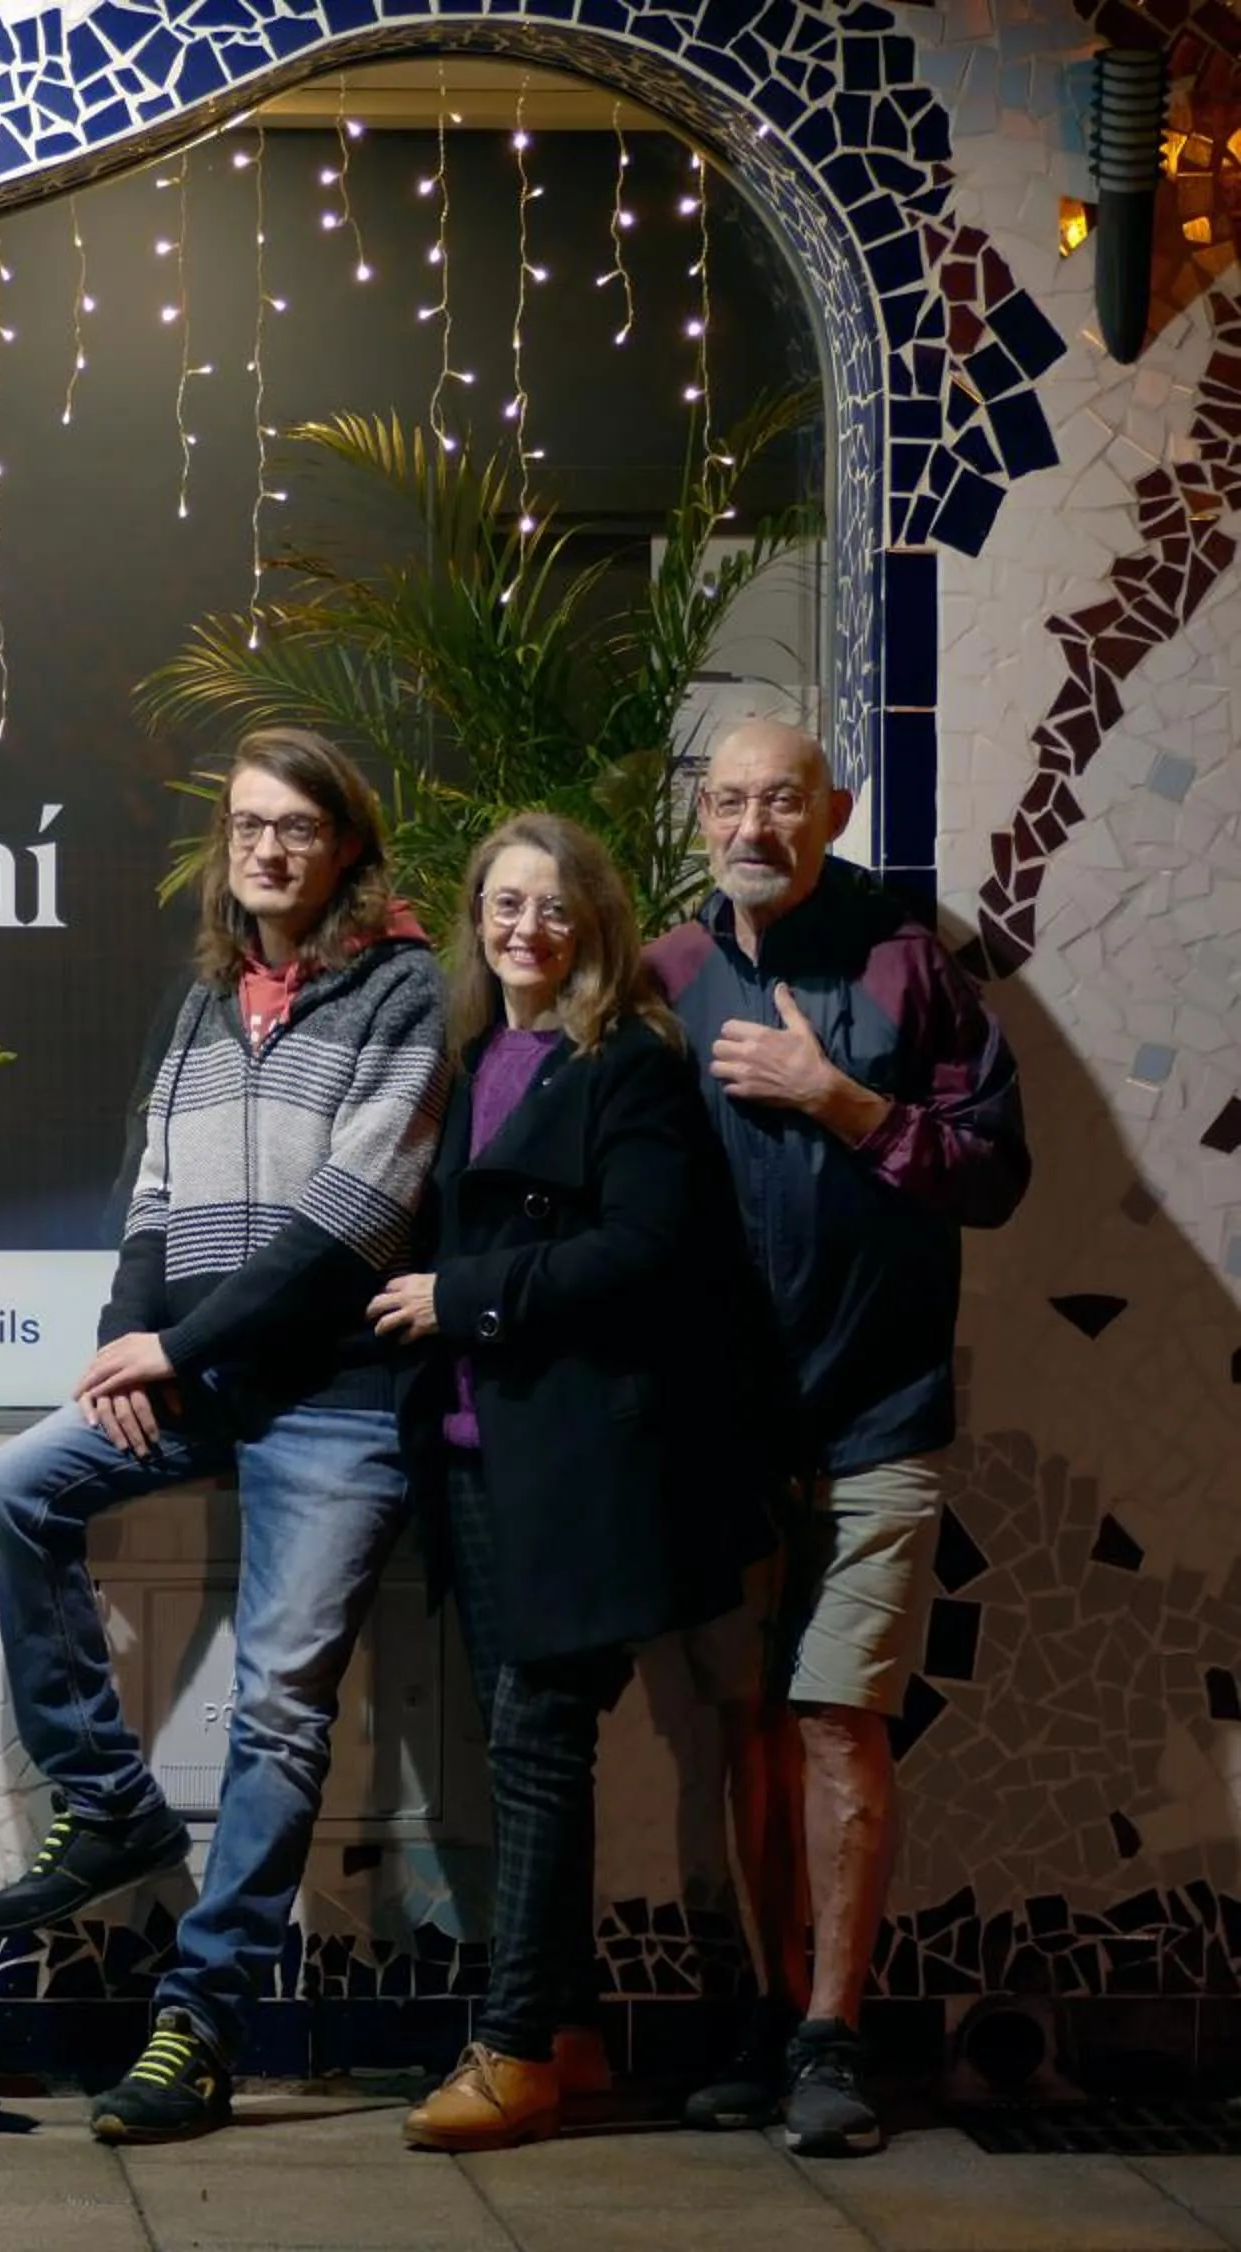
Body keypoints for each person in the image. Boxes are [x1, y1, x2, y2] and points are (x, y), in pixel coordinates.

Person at [0, 726, 449, 2144]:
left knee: (281, 1710)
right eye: (248, 826)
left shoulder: (404, 992)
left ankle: (201, 2025)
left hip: (337, 1403)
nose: (268, 849)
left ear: (348, 847)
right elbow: (156, 1193)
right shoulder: (209, 1000)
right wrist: (133, 1345)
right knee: (16, 1488)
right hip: (203, 1383)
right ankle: (108, 1801)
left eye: (297, 826)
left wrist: (178, 1345)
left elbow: (349, 1225)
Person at [365, 811, 784, 2152]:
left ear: (593, 923)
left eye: (552, 906)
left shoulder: (630, 1068)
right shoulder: (476, 1053)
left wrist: (464, 1297)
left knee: (539, 1745)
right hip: (485, 1461)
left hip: (587, 1468)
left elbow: (649, 1253)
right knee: (526, 1747)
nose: (524, 927)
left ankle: (511, 2052)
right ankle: (574, 2031)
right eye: (503, 902)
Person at [652, 718, 1030, 2157]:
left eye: (785, 801)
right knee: (742, 1724)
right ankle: (759, 2013)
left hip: (877, 1414)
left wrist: (842, 1101)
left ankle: (832, 2037)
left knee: (838, 1720)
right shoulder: (669, 974)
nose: (756, 824)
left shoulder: (907, 963)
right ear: (702, 819)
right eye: (732, 800)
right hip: (721, 1427)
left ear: (837, 810)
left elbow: (994, 1172)